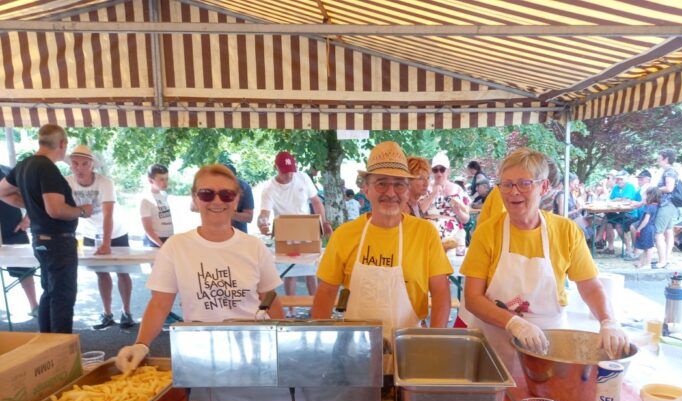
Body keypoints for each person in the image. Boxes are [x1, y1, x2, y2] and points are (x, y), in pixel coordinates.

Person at [458, 147, 629, 382]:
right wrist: (513, 322)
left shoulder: (565, 231)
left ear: (544, 187)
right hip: (493, 344)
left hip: (548, 345)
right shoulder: (488, 232)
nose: (513, 192)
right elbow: (473, 298)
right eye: (506, 185)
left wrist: (608, 320)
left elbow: (590, 286)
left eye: (524, 183)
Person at [115, 164, 285, 374]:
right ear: (195, 199)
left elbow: (271, 300)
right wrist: (141, 344)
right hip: (200, 351)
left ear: (236, 200)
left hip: (253, 348)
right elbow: (159, 304)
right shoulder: (176, 247)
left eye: (226, 194)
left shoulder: (254, 247)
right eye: (207, 194)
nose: (217, 201)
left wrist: (283, 347)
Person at [311, 141, 452, 338]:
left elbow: (440, 292)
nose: (391, 192)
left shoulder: (425, 233)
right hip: (356, 346)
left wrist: (434, 341)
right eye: (381, 183)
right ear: (366, 189)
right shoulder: (344, 235)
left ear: (407, 190)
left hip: (409, 343)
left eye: (399, 185)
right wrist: (319, 344)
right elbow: (326, 293)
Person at [0, 124, 93, 333]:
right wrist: (82, 211)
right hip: (58, 240)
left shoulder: (24, 165)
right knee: (62, 296)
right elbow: (56, 210)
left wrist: (33, 205)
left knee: (49, 292)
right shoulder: (47, 168)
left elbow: (3, 192)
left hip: (40, 239)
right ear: (62, 144)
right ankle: (60, 352)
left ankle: (47, 346)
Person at [65, 144, 135, 330]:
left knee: (122, 271)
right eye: (75, 164)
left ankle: (126, 312)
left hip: (116, 232)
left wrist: (106, 243)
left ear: (92, 165)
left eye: (84, 164)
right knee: (101, 272)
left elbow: (108, 214)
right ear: (70, 165)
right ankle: (107, 313)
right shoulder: (66, 182)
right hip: (89, 233)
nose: (79, 168)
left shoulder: (105, 182)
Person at [258, 151, 332, 301]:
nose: (289, 176)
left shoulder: (303, 178)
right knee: (289, 272)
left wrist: (324, 222)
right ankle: (291, 309)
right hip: (285, 232)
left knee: (310, 271)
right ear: (276, 168)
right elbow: (264, 213)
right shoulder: (269, 189)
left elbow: (316, 201)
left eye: (291, 171)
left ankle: (314, 305)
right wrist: (262, 222)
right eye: (285, 172)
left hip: (307, 229)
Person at [0, 167, 38, 317]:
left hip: (14, 231)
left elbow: (32, 195)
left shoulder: (7, 172)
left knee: (25, 272)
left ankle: (35, 306)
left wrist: (27, 219)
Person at [419, 151, 471, 253]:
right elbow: (418, 212)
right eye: (435, 170)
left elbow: (466, 219)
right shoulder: (425, 188)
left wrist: (458, 212)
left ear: (448, 171)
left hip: (452, 233)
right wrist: (433, 194)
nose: (439, 173)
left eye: (442, 170)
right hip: (428, 230)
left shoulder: (457, 190)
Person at [652, 148, 682, 269]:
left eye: (659, 159)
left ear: (666, 159)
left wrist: (655, 189)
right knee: (668, 231)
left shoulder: (669, 171)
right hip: (671, 205)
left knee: (657, 232)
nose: (658, 161)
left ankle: (662, 261)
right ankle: (666, 259)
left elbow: (669, 188)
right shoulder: (672, 171)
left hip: (666, 204)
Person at [602, 170, 642, 256]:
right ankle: (610, 248)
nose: (619, 181)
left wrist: (617, 200)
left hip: (630, 214)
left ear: (626, 179)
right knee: (609, 223)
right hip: (619, 213)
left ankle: (628, 248)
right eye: (617, 179)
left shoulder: (630, 187)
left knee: (618, 226)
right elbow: (610, 200)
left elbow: (627, 201)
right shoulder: (616, 187)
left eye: (621, 179)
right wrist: (618, 200)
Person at [140, 164, 174, 248]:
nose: (165, 182)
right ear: (150, 180)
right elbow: (148, 229)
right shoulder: (145, 199)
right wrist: (162, 246)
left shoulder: (164, 194)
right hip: (155, 242)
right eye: (161, 179)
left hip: (169, 239)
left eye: (166, 179)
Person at [630, 187, 660, 269]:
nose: (643, 196)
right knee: (645, 248)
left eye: (645, 195)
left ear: (650, 196)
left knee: (648, 248)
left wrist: (639, 228)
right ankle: (642, 263)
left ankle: (648, 264)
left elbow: (646, 220)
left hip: (646, 228)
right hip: (650, 228)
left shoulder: (649, 207)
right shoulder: (654, 206)